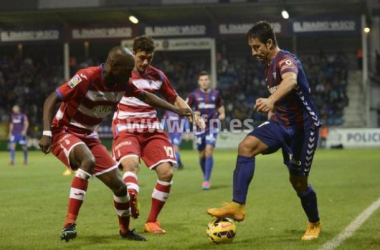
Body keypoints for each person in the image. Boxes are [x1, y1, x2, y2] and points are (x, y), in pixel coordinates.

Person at [38, 46, 192, 242]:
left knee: (120, 187)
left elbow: (146, 96)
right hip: (65, 131)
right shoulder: (86, 77)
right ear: (113, 65)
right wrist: (46, 133)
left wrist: (176, 110)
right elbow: (52, 99)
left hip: (88, 135)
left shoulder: (122, 83)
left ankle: (125, 231)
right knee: (88, 160)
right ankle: (69, 224)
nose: (131, 74)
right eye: (128, 70)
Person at [207, 21, 322, 241]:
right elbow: (285, 94)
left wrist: (271, 100)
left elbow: (290, 81)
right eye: (251, 48)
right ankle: (238, 205)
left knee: (298, 182)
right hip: (280, 123)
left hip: (303, 129)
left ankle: (314, 222)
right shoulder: (267, 66)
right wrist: (274, 108)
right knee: (246, 147)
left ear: (269, 43)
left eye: (257, 47)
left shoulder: (286, 60)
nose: (253, 52)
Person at [112, 35, 203, 234]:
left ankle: (151, 221)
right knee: (130, 164)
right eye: (142, 57)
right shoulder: (121, 74)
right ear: (133, 54)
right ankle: (130, 202)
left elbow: (174, 98)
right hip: (127, 127)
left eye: (149, 58)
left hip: (152, 129)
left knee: (166, 172)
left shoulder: (158, 76)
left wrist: (192, 115)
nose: (145, 62)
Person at [186, 71, 225, 190]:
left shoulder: (216, 94)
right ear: (199, 82)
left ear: (209, 81)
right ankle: (206, 176)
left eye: (206, 79)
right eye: (201, 80)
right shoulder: (193, 95)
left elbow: (221, 108)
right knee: (202, 154)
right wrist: (192, 116)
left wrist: (222, 115)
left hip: (212, 126)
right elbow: (185, 110)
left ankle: (206, 180)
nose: (204, 82)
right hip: (199, 127)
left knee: (208, 151)